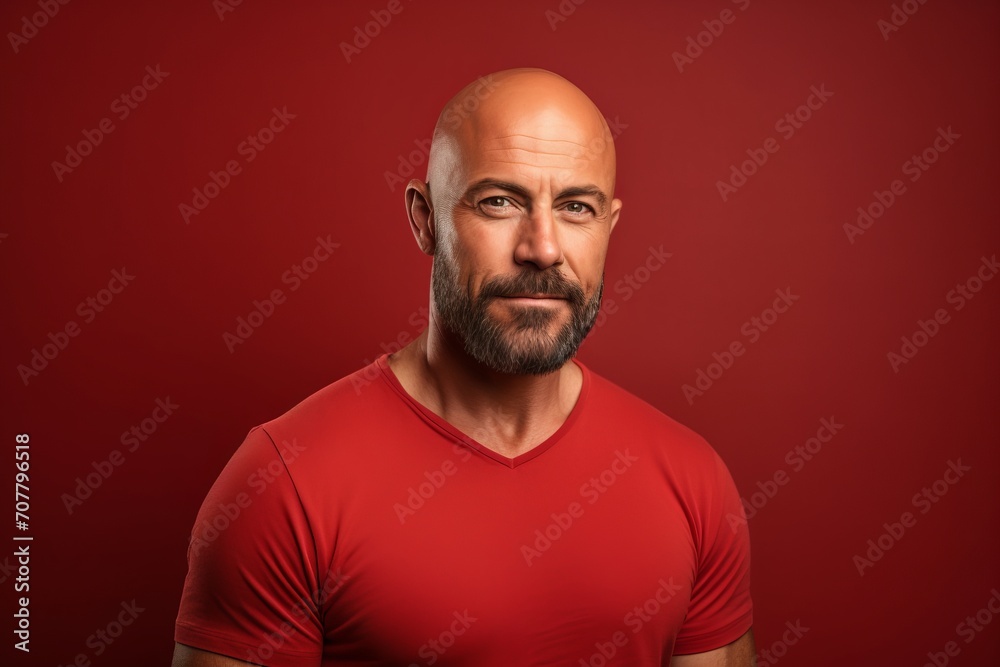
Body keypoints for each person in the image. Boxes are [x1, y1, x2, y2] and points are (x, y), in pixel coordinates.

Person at [172, 67, 754, 666]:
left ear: (608, 226)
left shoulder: (692, 482)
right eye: (500, 201)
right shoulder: (281, 486)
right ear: (425, 218)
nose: (543, 248)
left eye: (577, 207)